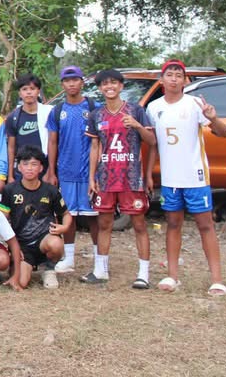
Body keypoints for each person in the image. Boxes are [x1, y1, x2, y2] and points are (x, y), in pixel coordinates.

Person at [146, 59, 226, 296]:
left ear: (185, 80)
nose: (174, 78)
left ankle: (217, 279)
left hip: (195, 177)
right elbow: (153, 143)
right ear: (161, 81)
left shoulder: (195, 104)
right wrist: (149, 173)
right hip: (171, 179)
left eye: (178, 75)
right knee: (173, 224)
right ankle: (172, 276)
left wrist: (213, 118)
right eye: (169, 74)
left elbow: (224, 133)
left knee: (205, 225)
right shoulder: (154, 108)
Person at [83, 68, 156, 288]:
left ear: (121, 86)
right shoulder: (97, 114)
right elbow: (95, 145)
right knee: (104, 222)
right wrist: (91, 177)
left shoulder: (136, 110)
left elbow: (152, 140)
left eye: (114, 83)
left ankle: (143, 273)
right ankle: (100, 270)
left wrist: (137, 126)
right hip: (106, 178)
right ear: (100, 88)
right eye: (105, 84)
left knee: (139, 223)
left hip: (131, 177)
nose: (109, 87)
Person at [47, 65, 100, 274]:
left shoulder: (94, 107)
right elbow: (52, 142)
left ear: (82, 82)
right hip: (66, 172)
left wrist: (98, 172)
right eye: (67, 80)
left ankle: (100, 261)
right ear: (62, 84)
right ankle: (69, 259)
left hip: (90, 173)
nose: (71, 84)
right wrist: (51, 171)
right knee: (68, 215)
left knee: (94, 216)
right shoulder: (57, 111)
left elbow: (100, 141)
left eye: (75, 79)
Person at [0, 147, 72, 289]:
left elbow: (66, 214)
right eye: (25, 164)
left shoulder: (51, 191)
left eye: (34, 164)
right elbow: (0, 219)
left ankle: (49, 270)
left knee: (56, 244)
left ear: (41, 167)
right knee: (20, 283)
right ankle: (23, 264)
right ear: (19, 167)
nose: (29, 168)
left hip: (44, 239)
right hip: (21, 244)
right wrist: (12, 246)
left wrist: (65, 226)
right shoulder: (9, 190)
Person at [4, 74, 53, 184]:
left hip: (44, 167)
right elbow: (11, 148)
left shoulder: (49, 114)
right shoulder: (14, 117)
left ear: (38, 91)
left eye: (32, 88)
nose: (29, 92)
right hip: (22, 170)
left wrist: (50, 172)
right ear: (20, 93)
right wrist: (10, 175)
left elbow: (54, 143)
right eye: (24, 89)